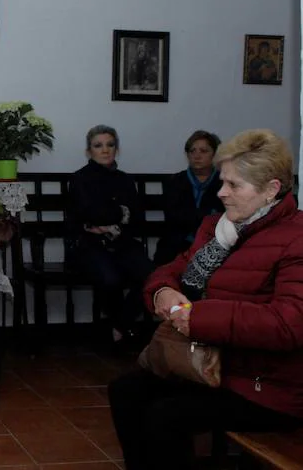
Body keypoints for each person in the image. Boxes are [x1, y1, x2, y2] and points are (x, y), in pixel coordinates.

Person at [108, 129, 303, 470]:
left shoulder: (295, 238)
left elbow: (287, 325)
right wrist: (162, 292)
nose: (221, 192)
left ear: (272, 189)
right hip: (213, 366)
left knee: (165, 415)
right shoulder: (220, 229)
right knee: (125, 392)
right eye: (222, 181)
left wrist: (196, 317)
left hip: (268, 385)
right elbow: (170, 270)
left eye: (233, 185)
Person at [67, 125, 154, 346]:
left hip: (123, 242)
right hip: (89, 245)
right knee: (110, 278)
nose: (105, 150)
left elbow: (137, 217)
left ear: (117, 149)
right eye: (98, 146)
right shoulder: (80, 178)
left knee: (151, 277)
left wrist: (107, 220)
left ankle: (120, 325)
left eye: (110, 145)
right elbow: (88, 212)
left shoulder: (125, 180)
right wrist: (119, 212)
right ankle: (120, 331)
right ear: (89, 151)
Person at [153, 130, 224, 266]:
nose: (197, 155)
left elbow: (222, 219)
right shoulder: (176, 181)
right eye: (192, 151)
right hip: (177, 242)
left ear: (214, 155)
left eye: (203, 151)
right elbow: (173, 217)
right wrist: (206, 215)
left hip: (213, 243)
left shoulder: (223, 182)